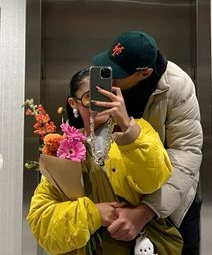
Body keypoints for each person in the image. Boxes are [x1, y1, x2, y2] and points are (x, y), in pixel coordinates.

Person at [27, 68, 182, 255]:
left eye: (104, 95)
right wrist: (93, 214)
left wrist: (127, 126)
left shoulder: (140, 131)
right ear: (73, 103)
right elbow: (41, 222)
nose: (98, 104)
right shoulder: (63, 148)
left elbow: (154, 180)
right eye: (89, 97)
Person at [92, 30, 203, 255]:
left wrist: (145, 211)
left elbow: (186, 154)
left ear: (145, 73)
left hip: (169, 204)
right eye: (109, 66)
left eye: (119, 74)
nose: (111, 77)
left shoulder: (177, 86)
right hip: (117, 204)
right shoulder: (103, 82)